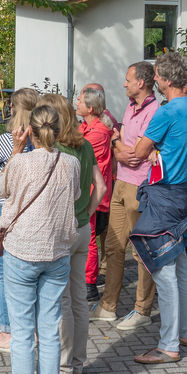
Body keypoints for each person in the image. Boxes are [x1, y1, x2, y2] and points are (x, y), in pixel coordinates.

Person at [0, 105, 80, 374]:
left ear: (29, 129)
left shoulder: (21, 162)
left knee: (22, 334)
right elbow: (76, 195)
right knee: (49, 331)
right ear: (58, 130)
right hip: (57, 252)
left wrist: (15, 151)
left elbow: (1, 189)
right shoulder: (70, 163)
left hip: (22, 252)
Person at [130, 50, 187, 364]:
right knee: (181, 267)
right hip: (182, 190)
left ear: (168, 80)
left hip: (163, 194)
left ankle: (169, 344)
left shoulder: (167, 111)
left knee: (163, 269)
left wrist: (123, 142)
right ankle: (185, 331)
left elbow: (138, 151)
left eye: (157, 75)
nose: (154, 80)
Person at [35, 93, 107, 374]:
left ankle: (62, 367)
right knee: (79, 299)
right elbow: (100, 187)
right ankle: (77, 365)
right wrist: (87, 214)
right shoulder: (85, 145)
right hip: (81, 229)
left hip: (59, 233)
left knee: (61, 301)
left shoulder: (53, 149)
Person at [90, 62, 159, 328]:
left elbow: (137, 154)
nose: (124, 84)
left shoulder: (154, 110)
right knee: (113, 246)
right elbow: (122, 151)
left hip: (140, 186)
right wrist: (119, 146)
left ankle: (142, 309)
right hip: (121, 182)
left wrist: (120, 145)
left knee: (140, 251)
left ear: (141, 82)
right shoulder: (130, 107)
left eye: (128, 80)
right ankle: (108, 306)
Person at [0, 87, 40, 350]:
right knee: (28, 272)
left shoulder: (7, 141)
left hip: (2, 211)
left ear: (15, 109)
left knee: (4, 273)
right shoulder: (41, 143)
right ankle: (32, 329)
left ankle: (8, 331)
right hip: (30, 212)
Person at [76, 85, 114, 303]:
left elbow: (81, 157)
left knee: (89, 239)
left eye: (80, 101)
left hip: (93, 196)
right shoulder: (86, 127)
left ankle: (90, 284)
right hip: (86, 192)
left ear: (90, 108)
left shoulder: (97, 132)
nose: (76, 104)